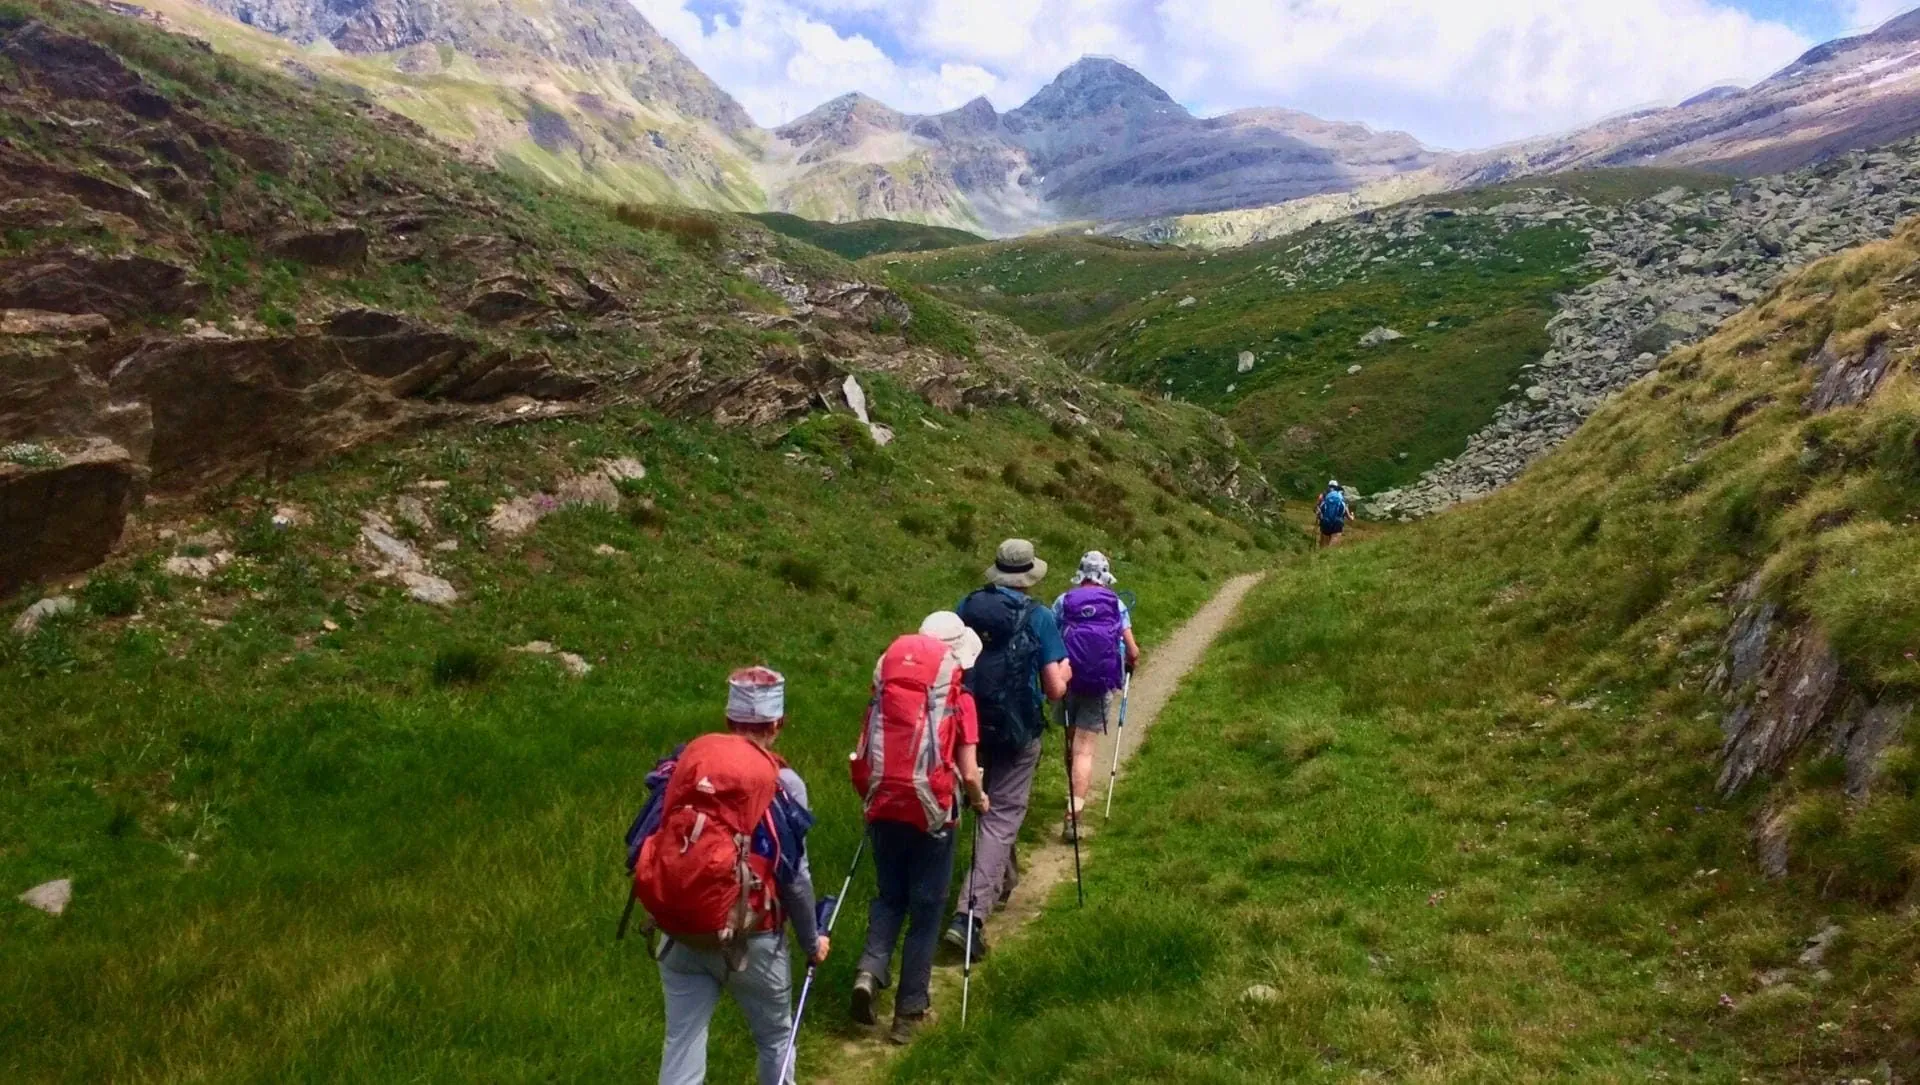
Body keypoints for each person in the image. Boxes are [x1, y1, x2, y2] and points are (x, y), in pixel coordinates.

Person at [647, 667, 829, 1085]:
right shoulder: (783, 783)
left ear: (729, 720)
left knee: (682, 1041)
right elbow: (794, 877)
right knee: (775, 1038)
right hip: (753, 938)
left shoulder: (688, 767)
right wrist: (810, 940)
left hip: (681, 933)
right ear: (777, 725)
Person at [848, 613, 990, 1044]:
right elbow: (968, 773)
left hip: (884, 807)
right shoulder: (960, 699)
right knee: (926, 912)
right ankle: (910, 1012)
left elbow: (862, 752)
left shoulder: (885, 692)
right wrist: (981, 800)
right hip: (934, 815)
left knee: (889, 897)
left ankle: (870, 972)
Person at [943, 539, 1071, 962]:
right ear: (1031, 576)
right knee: (1001, 817)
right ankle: (969, 917)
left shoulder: (968, 606)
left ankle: (1002, 881)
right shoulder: (1040, 616)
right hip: (1018, 730)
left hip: (967, 728)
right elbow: (1054, 689)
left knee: (990, 809)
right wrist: (1066, 674)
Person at [1053, 551, 1139, 840]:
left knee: (1070, 739)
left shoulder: (1064, 601)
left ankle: (1071, 787)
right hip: (1099, 682)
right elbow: (1133, 649)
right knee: (1085, 749)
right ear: (1106, 574)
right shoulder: (1116, 603)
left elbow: (1052, 639)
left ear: (1081, 574)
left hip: (1067, 680)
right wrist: (1130, 662)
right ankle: (1073, 816)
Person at [1316, 480, 1354, 549]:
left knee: (1323, 547)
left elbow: (1316, 509)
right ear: (1337, 487)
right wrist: (1352, 515)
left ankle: (1320, 557)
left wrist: (1319, 515)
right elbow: (1350, 518)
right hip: (1338, 523)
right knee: (1331, 548)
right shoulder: (1341, 497)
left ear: (1328, 486)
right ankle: (1328, 556)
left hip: (1325, 522)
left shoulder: (1323, 495)